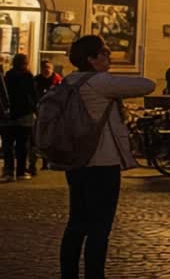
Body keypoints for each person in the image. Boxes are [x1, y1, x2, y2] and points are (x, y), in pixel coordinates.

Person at [59, 34, 156, 279]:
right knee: (100, 227)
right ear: (91, 59)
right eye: (103, 53)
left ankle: (68, 274)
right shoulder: (100, 82)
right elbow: (147, 85)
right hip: (103, 163)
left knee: (76, 223)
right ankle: (95, 274)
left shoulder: (69, 81)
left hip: (77, 161)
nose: (108, 56)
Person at [3, 53, 37, 181]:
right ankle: (21, 171)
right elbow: (33, 96)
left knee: (8, 145)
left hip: (9, 116)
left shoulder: (8, 76)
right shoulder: (28, 76)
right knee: (22, 146)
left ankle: (9, 171)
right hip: (25, 115)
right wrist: (34, 109)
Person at [31, 58, 63, 174]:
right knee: (37, 138)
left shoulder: (57, 80)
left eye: (48, 68)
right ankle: (36, 163)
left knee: (49, 137)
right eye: (44, 68)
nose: (46, 70)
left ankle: (47, 162)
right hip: (38, 112)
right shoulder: (36, 80)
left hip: (53, 114)